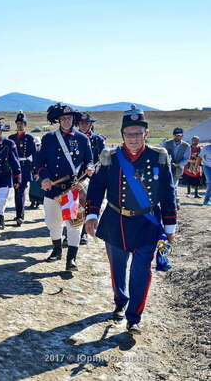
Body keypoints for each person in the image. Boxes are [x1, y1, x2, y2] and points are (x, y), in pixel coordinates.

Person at [86, 105, 177, 334]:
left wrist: (170, 226)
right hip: (116, 221)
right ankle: (120, 300)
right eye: (129, 134)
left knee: (141, 271)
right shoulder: (110, 157)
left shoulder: (158, 157)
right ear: (122, 134)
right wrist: (92, 214)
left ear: (146, 133)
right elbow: (97, 187)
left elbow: (168, 192)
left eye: (138, 133)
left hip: (147, 224)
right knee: (117, 268)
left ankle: (134, 317)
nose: (133, 139)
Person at [35, 103, 94, 271]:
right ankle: (57, 250)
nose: (66, 121)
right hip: (52, 189)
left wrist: (90, 167)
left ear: (73, 119)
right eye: (63, 118)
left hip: (74, 189)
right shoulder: (48, 138)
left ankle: (71, 259)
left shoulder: (83, 139)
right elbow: (39, 161)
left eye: (69, 118)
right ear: (58, 120)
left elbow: (89, 160)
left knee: (74, 225)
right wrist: (44, 177)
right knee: (52, 222)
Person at [76, 112, 105, 245]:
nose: (83, 125)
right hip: (77, 177)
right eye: (81, 123)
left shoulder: (98, 140)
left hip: (93, 177)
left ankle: (83, 233)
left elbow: (104, 158)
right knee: (74, 205)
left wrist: (95, 167)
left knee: (88, 204)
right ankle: (72, 230)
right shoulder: (73, 138)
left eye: (86, 123)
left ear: (91, 124)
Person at [8, 111, 37, 226]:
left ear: (25, 125)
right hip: (13, 167)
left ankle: (20, 215)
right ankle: (19, 213)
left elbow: (34, 154)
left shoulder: (29, 138)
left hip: (25, 167)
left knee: (21, 191)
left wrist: (35, 170)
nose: (20, 125)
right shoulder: (11, 138)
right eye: (18, 123)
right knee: (16, 191)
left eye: (22, 123)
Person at [162, 128, 190, 207]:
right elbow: (162, 154)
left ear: (182, 136)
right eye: (176, 135)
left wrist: (179, 164)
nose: (177, 137)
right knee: (167, 185)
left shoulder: (186, 146)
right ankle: (171, 201)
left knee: (173, 185)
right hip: (166, 167)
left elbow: (186, 158)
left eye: (179, 135)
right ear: (173, 135)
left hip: (178, 168)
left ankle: (175, 202)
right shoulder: (167, 143)